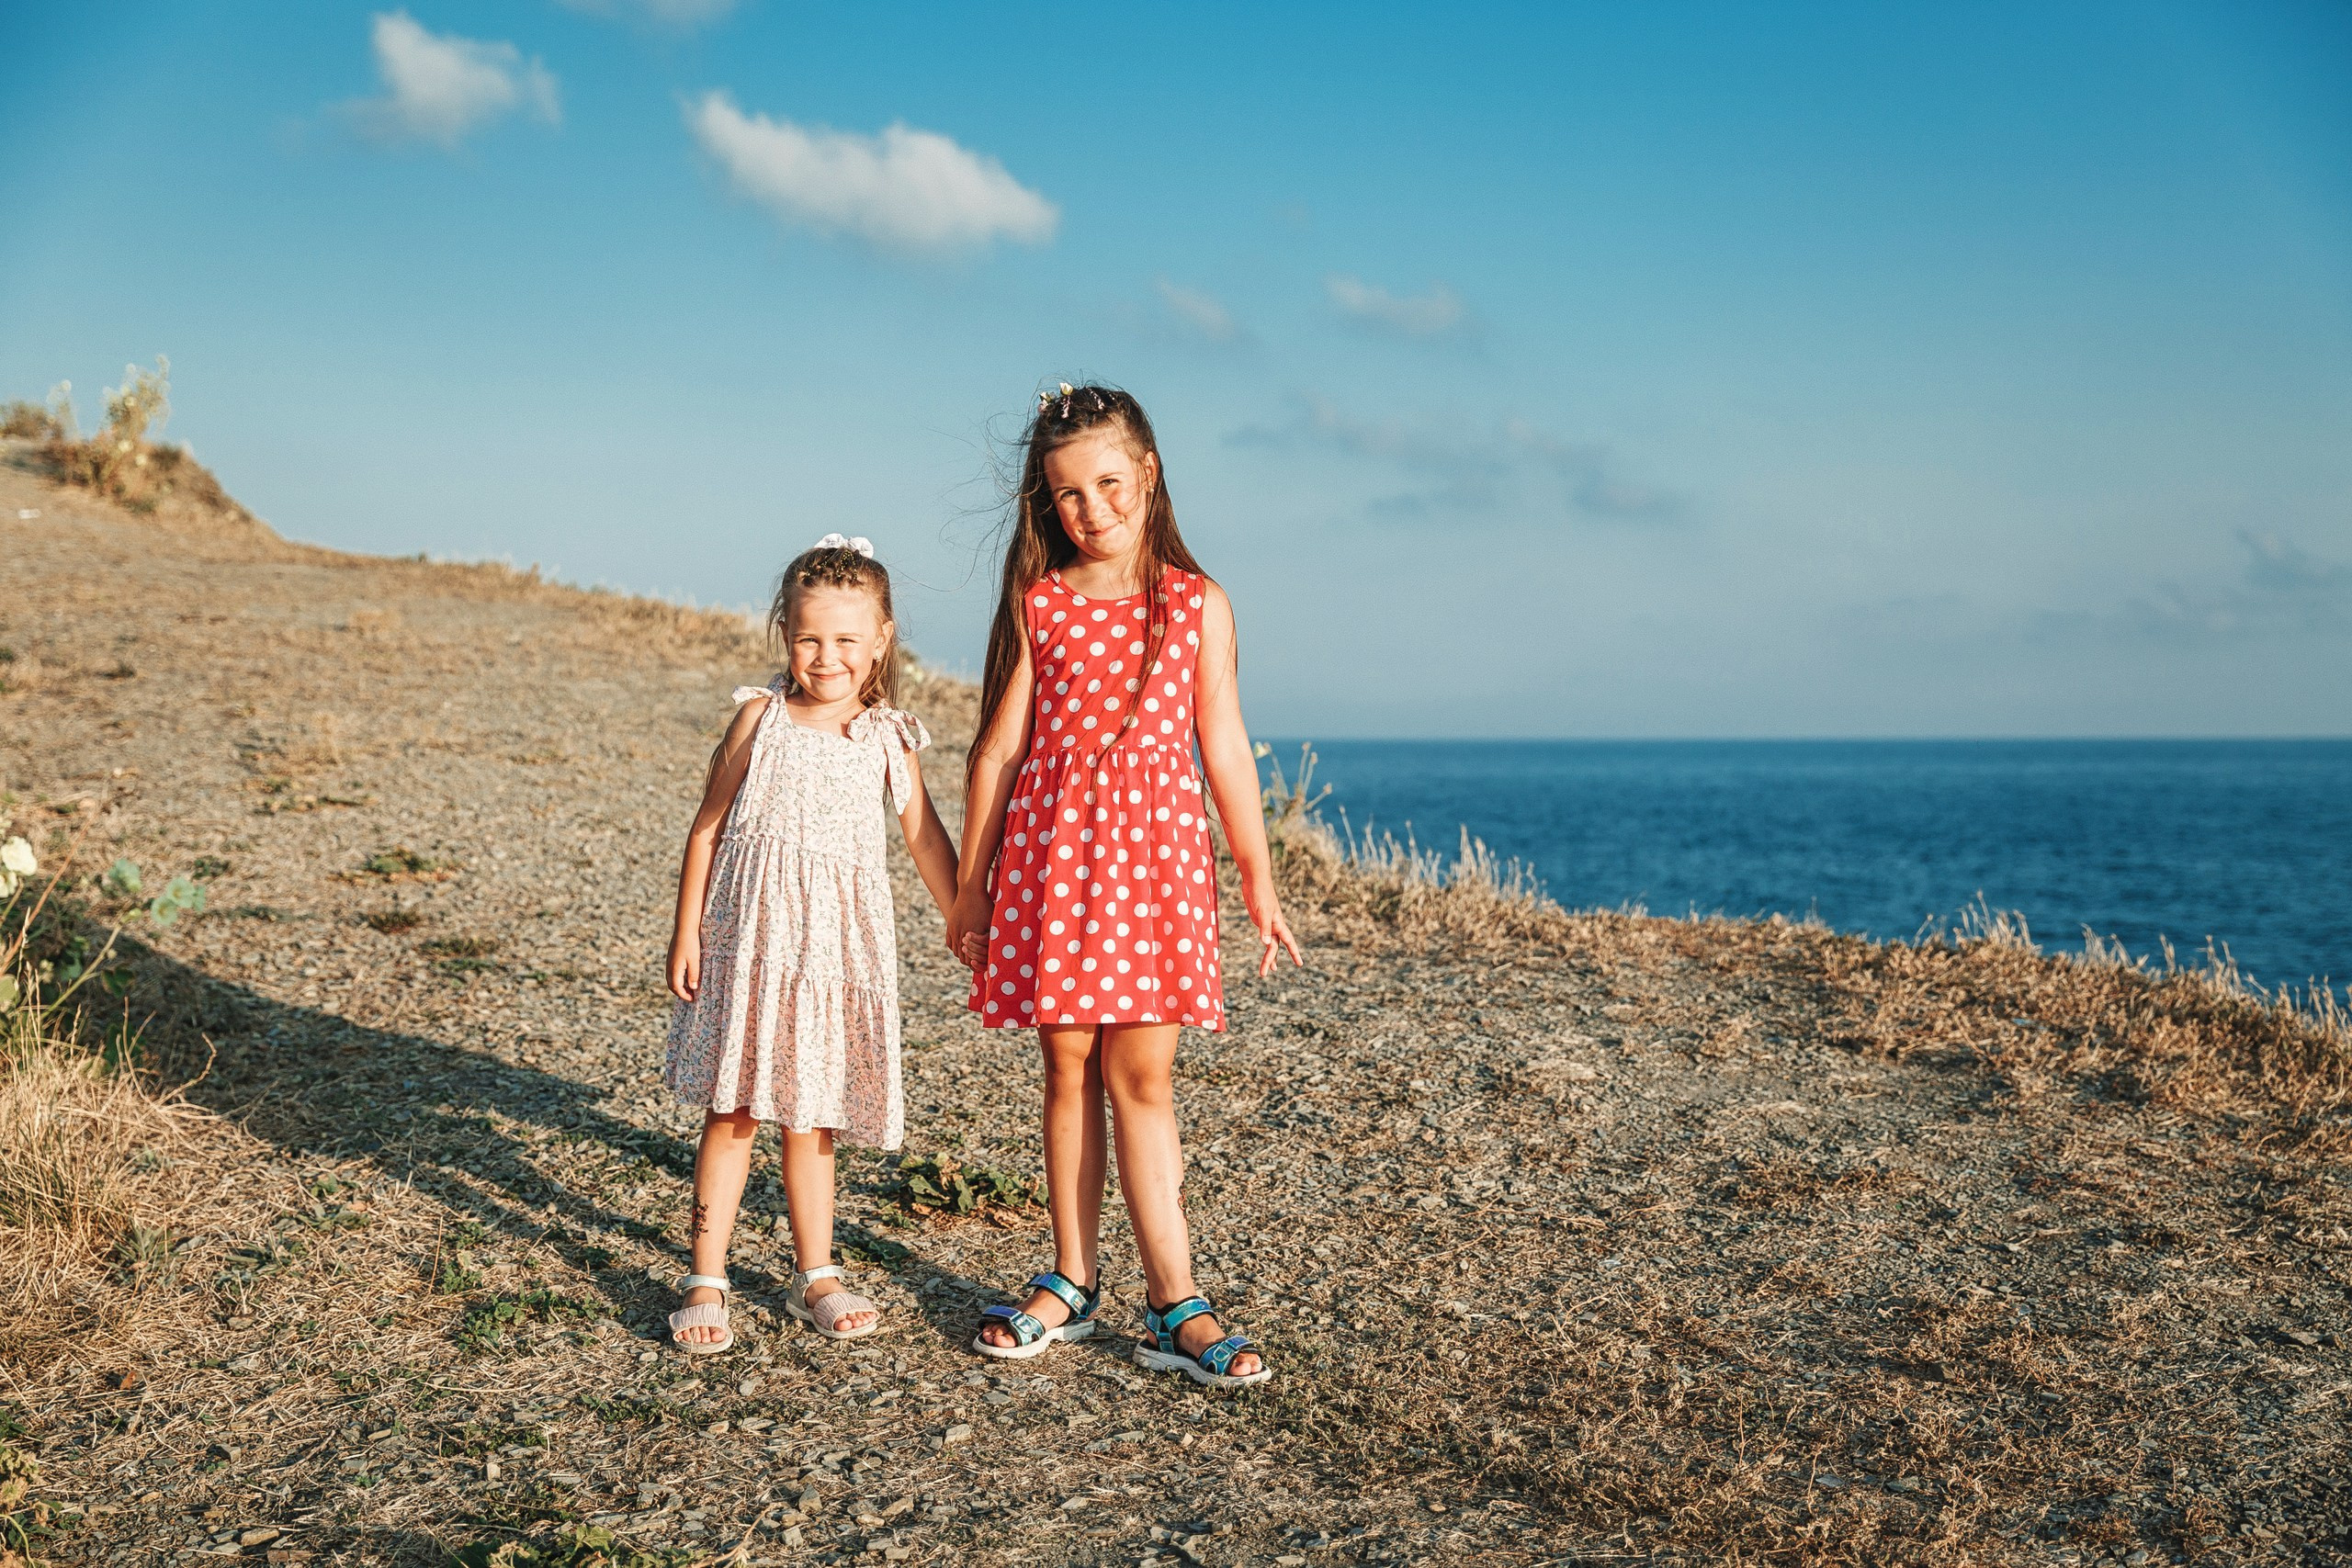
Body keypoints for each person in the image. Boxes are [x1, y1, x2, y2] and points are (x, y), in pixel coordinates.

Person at [948, 383, 1301, 1387]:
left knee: (1141, 1081)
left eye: (1108, 484)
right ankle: (1069, 1278)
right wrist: (972, 886)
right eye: (1066, 495)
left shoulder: (1196, 603)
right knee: (1067, 1072)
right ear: (1045, 505)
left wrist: (1258, 883)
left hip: (1154, 878)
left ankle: (1174, 1302)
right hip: (1055, 870)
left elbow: (1225, 751)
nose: (1090, 509)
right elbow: (997, 752)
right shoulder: (1042, 602)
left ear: (1147, 474)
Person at [662, 535, 958, 1354]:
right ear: (784, 633)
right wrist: (686, 930)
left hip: (833, 956)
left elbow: (927, 842)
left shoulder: (887, 738)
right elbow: (708, 827)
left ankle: (816, 1273)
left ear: (882, 641)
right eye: (808, 639)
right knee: (734, 1108)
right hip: (749, 944)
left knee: (813, 1115)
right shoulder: (760, 718)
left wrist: (965, 916)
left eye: (846, 640)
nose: (826, 657)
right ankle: (706, 1273)